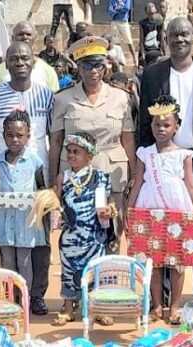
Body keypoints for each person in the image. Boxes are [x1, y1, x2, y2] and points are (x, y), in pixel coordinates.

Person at [138, 17, 193, 296]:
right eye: (174, 34)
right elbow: (143, 125)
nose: (179, 39)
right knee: (163, 226)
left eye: (184, 34)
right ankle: (162, 296)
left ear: (192, 37)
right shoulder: (152, 74)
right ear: (166, 38)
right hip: (163, 161)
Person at [50, 36, 135, 254]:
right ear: (78, 67)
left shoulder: (121, 97)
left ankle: (109, 284)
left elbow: (127, 139)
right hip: (75, 174)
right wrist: (53, 178)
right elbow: (57, 140)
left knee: (112, 232)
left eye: (98, 64)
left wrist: (134, 174)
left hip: (112, 170)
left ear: (106, 65)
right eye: (87, 65)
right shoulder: (63, 99)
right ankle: (81, 285)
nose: (93, 71)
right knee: (77, 232)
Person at [128, 95, 193, 325]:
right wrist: (130, 211)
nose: (161, 129)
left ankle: (174, 306)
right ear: (150, 125)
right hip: (148, 210)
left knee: (177, 262)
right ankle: (157, 305)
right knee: (153, 261)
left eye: (166, 125)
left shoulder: (184, 155)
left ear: (176, 127)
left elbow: (191, 186)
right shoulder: (145, 153)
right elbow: (138, 182)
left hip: (178, 210)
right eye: (156, 124)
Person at [0, 109, 53, 316]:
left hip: (26, 222)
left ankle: (27, 298)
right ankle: (10, 300)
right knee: (7, 261)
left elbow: (41, 187)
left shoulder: (35, 161)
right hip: (4, 220)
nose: (14, 140)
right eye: (9, 135)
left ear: (28, 135)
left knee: (25, 261)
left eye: (19, 135)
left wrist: (43, 202)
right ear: (3, 135)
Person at [51, 132, 116, 326]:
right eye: (69, 151)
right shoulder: (63, 177)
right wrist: (56, 212)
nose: (71, 155)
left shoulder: (101, 177)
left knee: (97, 272)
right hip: (71, 236)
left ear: (89, 155)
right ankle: (69, 308)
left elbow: (110, 201)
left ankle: (98, 310)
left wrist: (110, 211)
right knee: (69, 272)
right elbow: (56, 202)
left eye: (76, 152)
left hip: (94, 236)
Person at [0, 41, 54, 193]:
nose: (20, 63)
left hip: (41, 177)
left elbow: (54, 138)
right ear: (6, 64)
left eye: (25, 58)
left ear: (33, 62)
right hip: (5, 176)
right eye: (14, 59)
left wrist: (54, 178)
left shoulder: (47, 95)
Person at [0, 22, 59, 92]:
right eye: (20, 34)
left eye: (28, 34)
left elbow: (55, 100)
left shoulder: (48, 70)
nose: (25, 37)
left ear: (35, 38)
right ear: (13, 38)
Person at [110, 0, 138, 65]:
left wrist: (117, 10)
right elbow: (111, 10)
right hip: (115, 21)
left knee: (129, 41)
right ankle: (119, 59)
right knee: (116, 41)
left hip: (124, 22)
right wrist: (119, 11)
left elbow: (127, 8)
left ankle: (135, 59)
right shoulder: (112, 0)